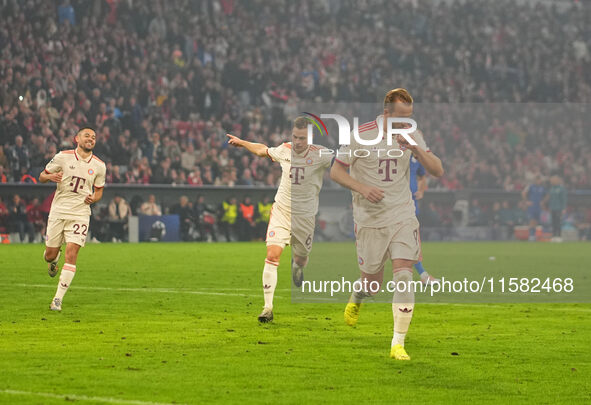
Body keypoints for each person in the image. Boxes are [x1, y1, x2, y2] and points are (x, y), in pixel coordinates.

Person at [330, 88, 444, 360]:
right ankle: (358, 296)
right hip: (369, 218)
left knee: (404, 274)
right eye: (401, 118)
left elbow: (438, 169)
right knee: (372, 284)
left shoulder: (412, 134)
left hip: (402, 213)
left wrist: (416, 146)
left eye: (410, 118)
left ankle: (397, 343)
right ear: (386, 114)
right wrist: (362, 187)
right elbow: (336, 171)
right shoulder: (361, 135)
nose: (407, 123)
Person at [227, 116, 333, 323]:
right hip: (282, 211)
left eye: (302, 138)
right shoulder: (285, 149)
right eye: (295, 137)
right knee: (273, 255)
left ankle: (297, 266)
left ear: (309, 138)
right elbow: (262, 150)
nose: (298, 142)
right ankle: (267, 308)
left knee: (301, 258)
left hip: (305, 216)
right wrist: (242, 142)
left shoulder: (322, 155)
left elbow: (346, 161)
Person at [39, 127, 106, 311]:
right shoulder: (63, 156)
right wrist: (51, 176)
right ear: (77, 138)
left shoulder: (99, 166)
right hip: (59, 211)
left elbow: (99, 191)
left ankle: (57, 299)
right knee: (50, 255)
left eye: (93, 137)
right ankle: (53, 261)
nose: (90, 139)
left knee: (72, 253)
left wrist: (94, 198)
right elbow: (42, 176)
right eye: (87, 136)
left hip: (80, 213)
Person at [409, 156, 439, 284]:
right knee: (404, 241)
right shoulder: (393, 152)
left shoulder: (416, 156)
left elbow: (422, 177)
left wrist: (421, 190)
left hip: (410, 204)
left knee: (411, 240)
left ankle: (419, 274)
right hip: (392, 203)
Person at [522, 176, 547, 241]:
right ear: (535, 180)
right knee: (531, 221)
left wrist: (543, 201)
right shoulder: (531, 186)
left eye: (539, 180)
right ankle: (531, 235)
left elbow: (547, 195)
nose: (539, 181)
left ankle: (534, 235)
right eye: (537, 180)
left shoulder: (542, 188)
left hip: (538, 207)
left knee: (536, 221)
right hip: (532, 207)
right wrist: (526, 201)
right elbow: (523, 193)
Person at [545, 175, 567, 242]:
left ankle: (559, 236)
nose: (551, 182)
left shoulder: (561, 188)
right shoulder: (551, 188)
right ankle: (554, 236)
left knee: (558, 222)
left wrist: (563, 208)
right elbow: (550, 199)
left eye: (553, 180)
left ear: (557, 180)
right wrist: (549, 207)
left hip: (559, 208)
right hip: (552, 208)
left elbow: (563, 199)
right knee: (553, 222)